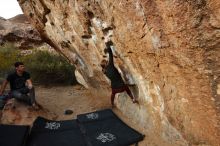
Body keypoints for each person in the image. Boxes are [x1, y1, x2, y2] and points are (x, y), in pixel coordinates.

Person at [101, 41, 138, 107]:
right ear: (106, 64)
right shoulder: (110, 65)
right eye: (106, 62)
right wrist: (108, 47)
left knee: (112, 94)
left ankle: (112, 104)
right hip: (122, 87)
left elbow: (106, 69)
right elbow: (111, 55)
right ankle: (132, 99)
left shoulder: (104, 72)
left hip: (115, 88)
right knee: (127, 89)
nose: (107, 61)